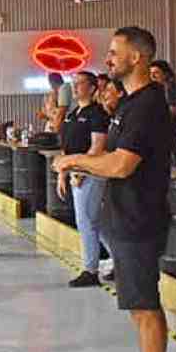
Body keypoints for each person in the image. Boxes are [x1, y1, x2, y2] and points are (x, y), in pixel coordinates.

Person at [54, 27, 173, 352]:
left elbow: (122, 164)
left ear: (136, 57)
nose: (108, 58)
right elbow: (109, 156)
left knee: (145, 306)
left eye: (114, 51)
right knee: (138, 307)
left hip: (140, 218)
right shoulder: (129, 103)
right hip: (124, 216)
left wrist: (74, 161)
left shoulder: (147, 106)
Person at [56, 71, 110, 287]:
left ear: (92, 87)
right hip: (74, 172)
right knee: (95, 221)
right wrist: (63, 173)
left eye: (80, 83)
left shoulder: (97, 114)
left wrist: (80, 171)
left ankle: (90, 270)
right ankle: (119, 260)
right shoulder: (72, 114)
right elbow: (66, 147)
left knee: (86, 220)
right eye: (73, 83)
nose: (75, 87)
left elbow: (97, 146)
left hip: (91, 174)